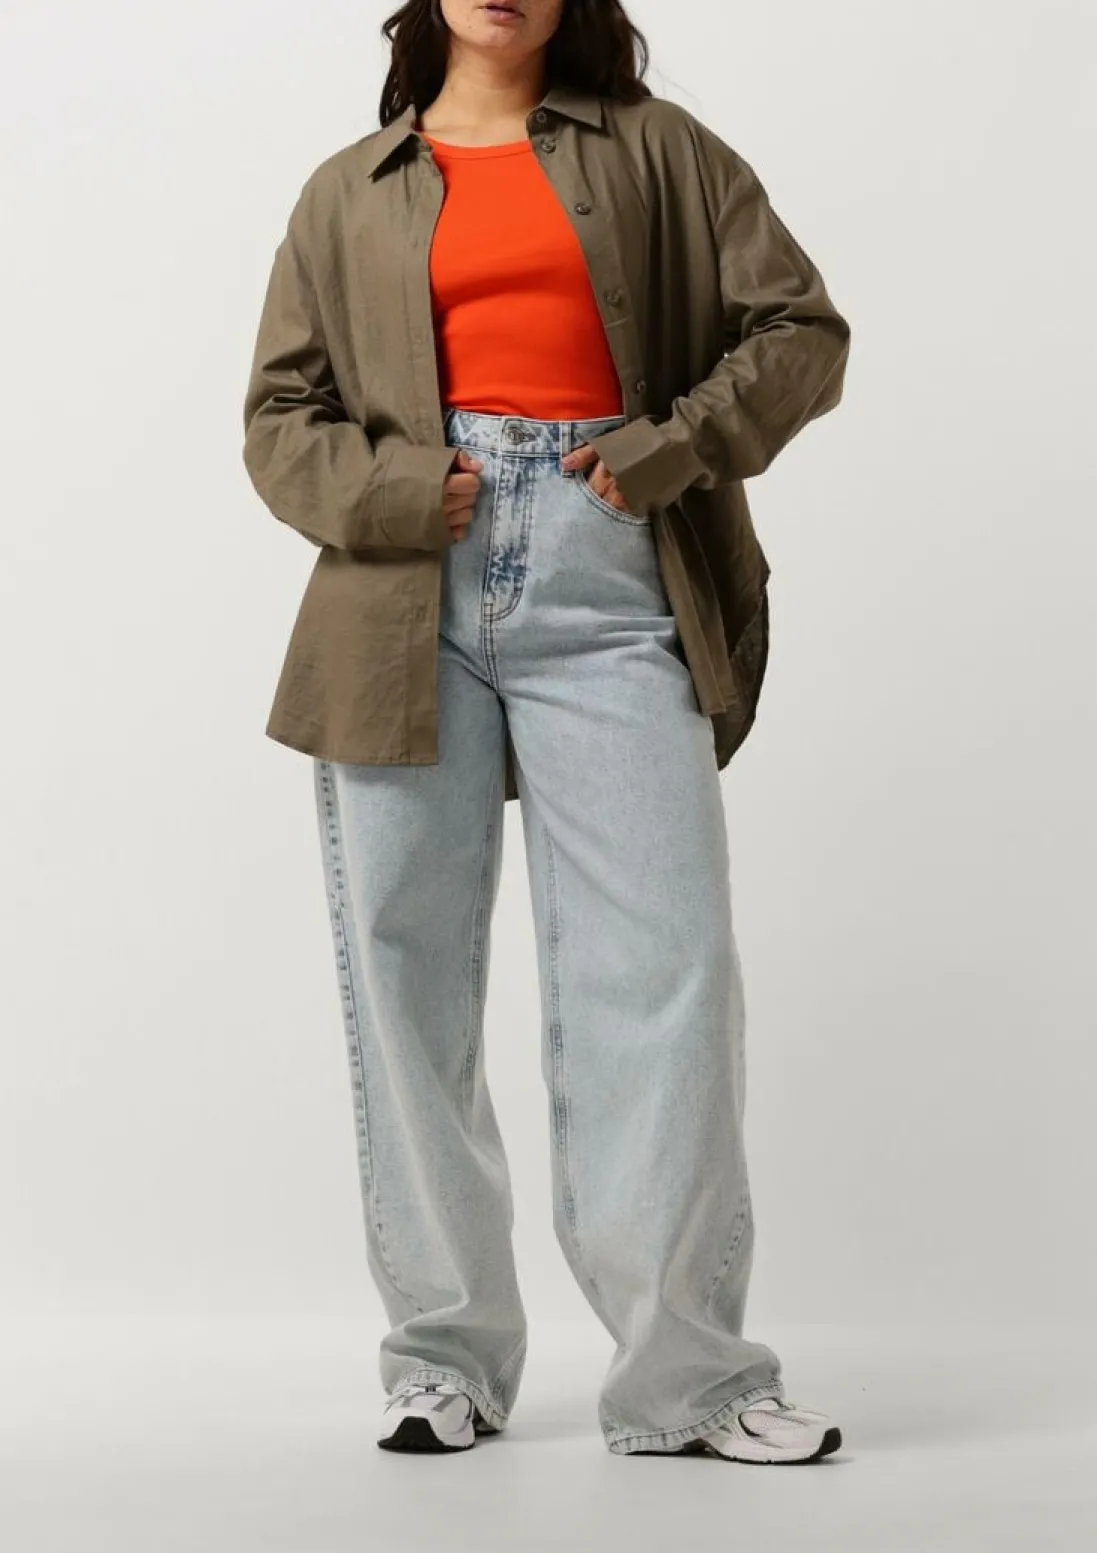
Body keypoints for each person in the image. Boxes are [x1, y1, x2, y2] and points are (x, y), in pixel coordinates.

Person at [242, 0, 850, 1464]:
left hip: (609, 575)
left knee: (667, 965)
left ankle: (689, 1381)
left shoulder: (662, 150)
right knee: (407, 978)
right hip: (400, 595)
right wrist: (399, 491)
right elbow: (278, 418)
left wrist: (672, 448)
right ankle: (443, 1359)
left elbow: (800, 331)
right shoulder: (346, 191)